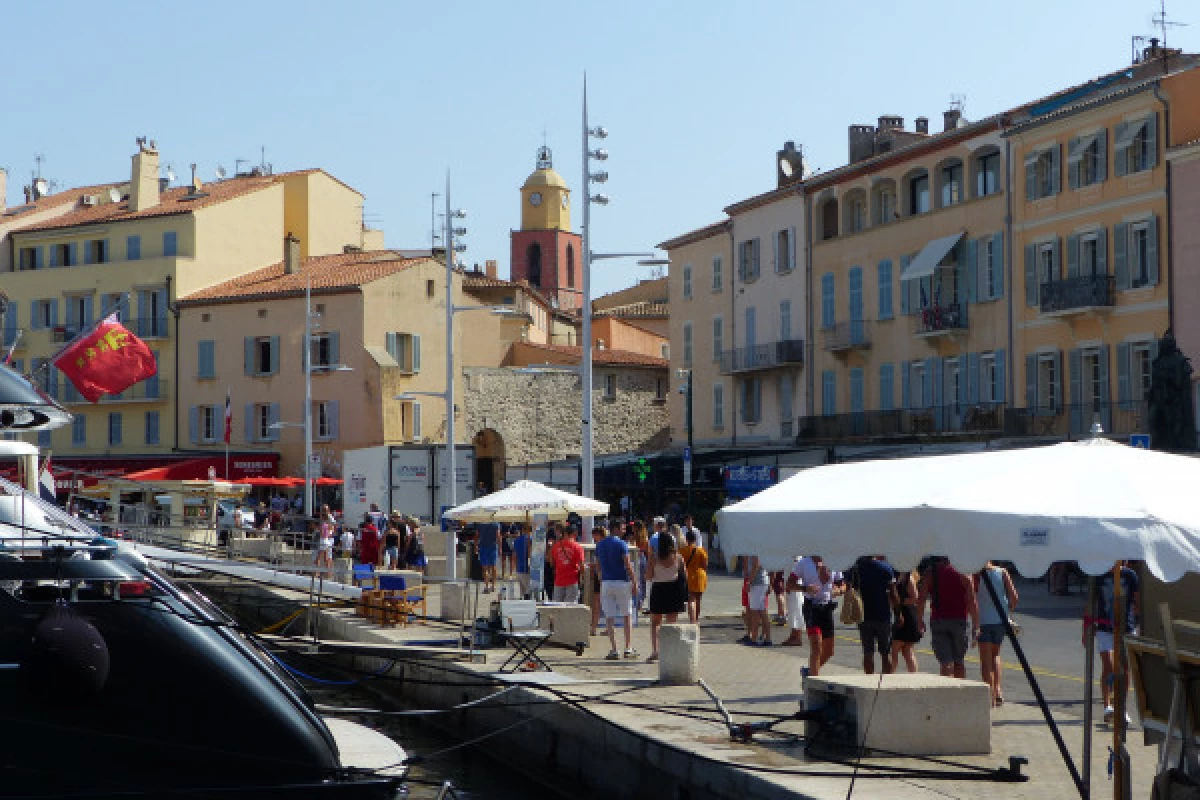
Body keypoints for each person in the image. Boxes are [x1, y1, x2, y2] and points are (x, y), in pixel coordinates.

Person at [1085, 560, 1140, 723]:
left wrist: (1138, 620)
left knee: (1124, 667)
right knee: (1108, 666)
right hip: (1104, 627)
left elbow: (1138, 601)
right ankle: (1107, 706)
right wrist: (1087, 626)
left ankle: (1122, 707)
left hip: (1126, 626)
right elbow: (1091, 602)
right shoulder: (1099, 575)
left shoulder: (1130, 575)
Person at [917, 556, 979, 679]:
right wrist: (976, 625)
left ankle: (948, 694)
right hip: (959, 620)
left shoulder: (931, 572)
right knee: (959, 662)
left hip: (938, 620)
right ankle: (960, 693)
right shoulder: (964, 572)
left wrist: (919, 620)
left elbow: (922, 598)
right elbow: (972, 601)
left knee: (946, 662)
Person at [974, 560, 1019, 707]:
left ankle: (990, 697)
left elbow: (971, 596)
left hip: (984, 620)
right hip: (1000, 620)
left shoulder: (975, 574)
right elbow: (1014, 597)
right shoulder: (1002, 572)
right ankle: (998, 690)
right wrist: (1008, 611)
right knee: (996, 655)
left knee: (985, 661)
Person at [595, 523, 638, 659]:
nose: (624, 530)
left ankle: (614, 649)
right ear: (616, 529)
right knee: (627, 614)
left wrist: (601, 578)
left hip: (606, 582)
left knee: (609, 617)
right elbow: (628, 564)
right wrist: (634, 581)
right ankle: (628, 647)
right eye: (622, 528)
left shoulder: (600, 545)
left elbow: (598, 565)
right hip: (621, 581)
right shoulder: (621, 544)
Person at [647, 525, 686, 661]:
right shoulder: (678, 557)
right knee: (671, 623)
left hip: (658, 589)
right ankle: (670, 651)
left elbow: (648, 576)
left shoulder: (654, 558)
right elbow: (683, 574)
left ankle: (656, 650)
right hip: (673, 589)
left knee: (655, 623)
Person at [854, 555, 897, 675]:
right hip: (882, 614)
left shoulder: (857, 569)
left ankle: (869, 680)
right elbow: (893, 593)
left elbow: (850, 589)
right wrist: (898, 614)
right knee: (885, 653)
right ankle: (886, 682)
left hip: (864, 615)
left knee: (868, 652)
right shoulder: (885, 568)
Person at [890, 569, 922, 673]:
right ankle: (914, 675)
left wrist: (899, 601)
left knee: (895, 649)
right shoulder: (900, 577)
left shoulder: (909, 578)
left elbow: (915, 597)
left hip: (907, 615)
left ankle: (890, 674)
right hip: (904, 614)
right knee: (907, 650)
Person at [549, 524, 585, 603]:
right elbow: (582, 565)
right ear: (573, 534)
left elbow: (551, 563)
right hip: (572, 580)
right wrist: (582, 578)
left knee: (557, 607)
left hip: (558, 580)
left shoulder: (555, 546)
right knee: (571, 608)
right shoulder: (578, 547)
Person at [679, 530, 708, 623]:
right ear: (695, 539)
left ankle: (692, 619)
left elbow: (680, 565)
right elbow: (705, 565)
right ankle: (696, 619)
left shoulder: (682, 551)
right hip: (700, 576)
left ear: (686, 539)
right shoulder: (701, 550)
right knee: (698, 599)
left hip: (688, 576)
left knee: (691, 599)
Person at [744, 554, 772, 646]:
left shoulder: (755, 549)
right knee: (762, 611)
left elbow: (756, 565)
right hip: (760, 583)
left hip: (757, 583)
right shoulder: (758, 547)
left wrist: (749, 582)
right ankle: (767, 639)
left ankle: (754, 638)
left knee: (756, 611)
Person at [477, 522, 500, 593]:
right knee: (493, 566)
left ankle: (486, 586)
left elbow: (477, 535)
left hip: (483, 547)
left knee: (485, 568)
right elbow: (498, 536)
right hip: (493, 547)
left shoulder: (481, 523)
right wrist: (500, 548)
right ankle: (493, 585)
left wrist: (475, 545)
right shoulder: (496, 524)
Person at [513, 524, 532, 598]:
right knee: (528, 590)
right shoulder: (530, 540)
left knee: (522, 591)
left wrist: (515, 567)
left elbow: (514, 555)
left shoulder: (517, 540)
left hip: (519, 568)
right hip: (527, 568)